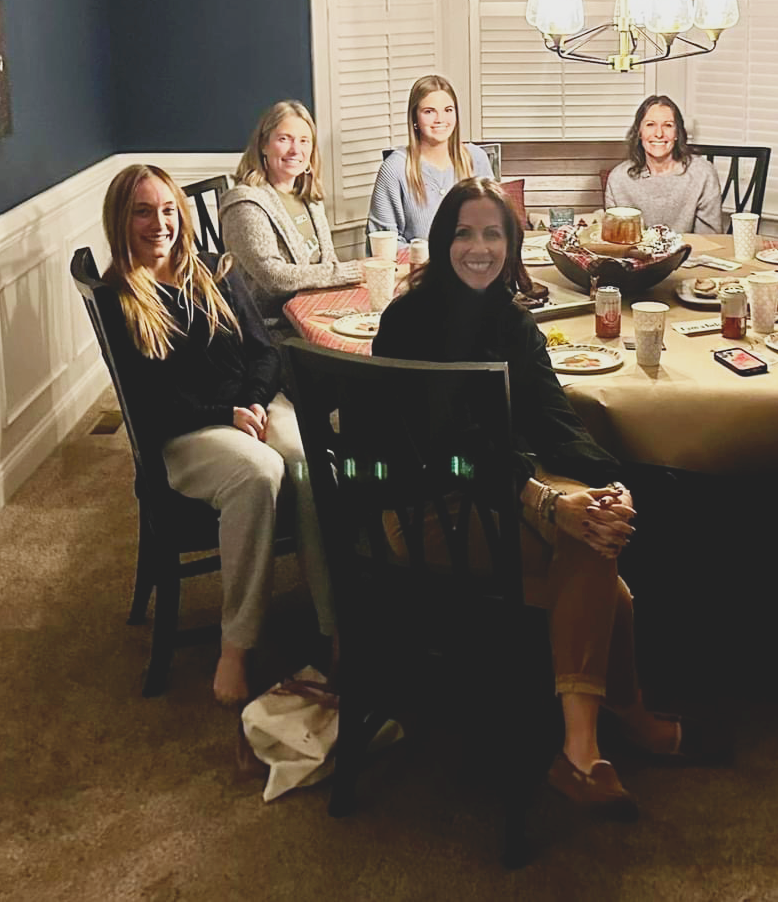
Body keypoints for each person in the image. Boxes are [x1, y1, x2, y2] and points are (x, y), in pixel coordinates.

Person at [373, 177, 706, 817]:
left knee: (593, 528)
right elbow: (448, 452)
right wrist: (544, 502)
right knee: (588, 550)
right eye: (463, 233)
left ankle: (585, 748)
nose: (478, 247)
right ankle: (615, 723)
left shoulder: (510, 321)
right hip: (424, 509)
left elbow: (554, 419)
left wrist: (611, 484)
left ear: (510, 243)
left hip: (497, 494)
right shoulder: (410, 321)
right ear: (442, 242)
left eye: (492, 234)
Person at [101, 164, 335, 706]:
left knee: (307, 464)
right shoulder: (120, 297)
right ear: (121, 220)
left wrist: (252, 402)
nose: (159, 223)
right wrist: (226, 415)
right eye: (142, 212)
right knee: (259, 473)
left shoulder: (214, 270)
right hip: (186, 432)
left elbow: (263, 351)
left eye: (168, 210)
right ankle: (237, 646)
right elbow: (153, 402)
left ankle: (335, 625)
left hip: (252, 406)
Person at [219, 100, 361, 325]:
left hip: (317, 311)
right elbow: (275, 277)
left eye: (304, 141)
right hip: (275, 326)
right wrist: (353, 271)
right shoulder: (244, 204)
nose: (296, 150)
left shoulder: (310, 198)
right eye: (284, 139)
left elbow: (328, 261)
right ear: (263, 145)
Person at [367, 74, 493, 249]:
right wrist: (428, 255)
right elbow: (383, 244)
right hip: (419, 265)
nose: (440, 119)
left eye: (448, 110)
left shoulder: (476, 158)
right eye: (429, 111)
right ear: (415, 118)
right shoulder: (395, 169)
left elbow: (495, 224)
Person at [604, 95, 724, 233]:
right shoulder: (618, 179)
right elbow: (616, 239)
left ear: (677, 133)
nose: (659, 134)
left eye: (668, 125)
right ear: (639, 132)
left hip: (691, 248)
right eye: (650, 125)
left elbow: (709, 238)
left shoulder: (703, 174)